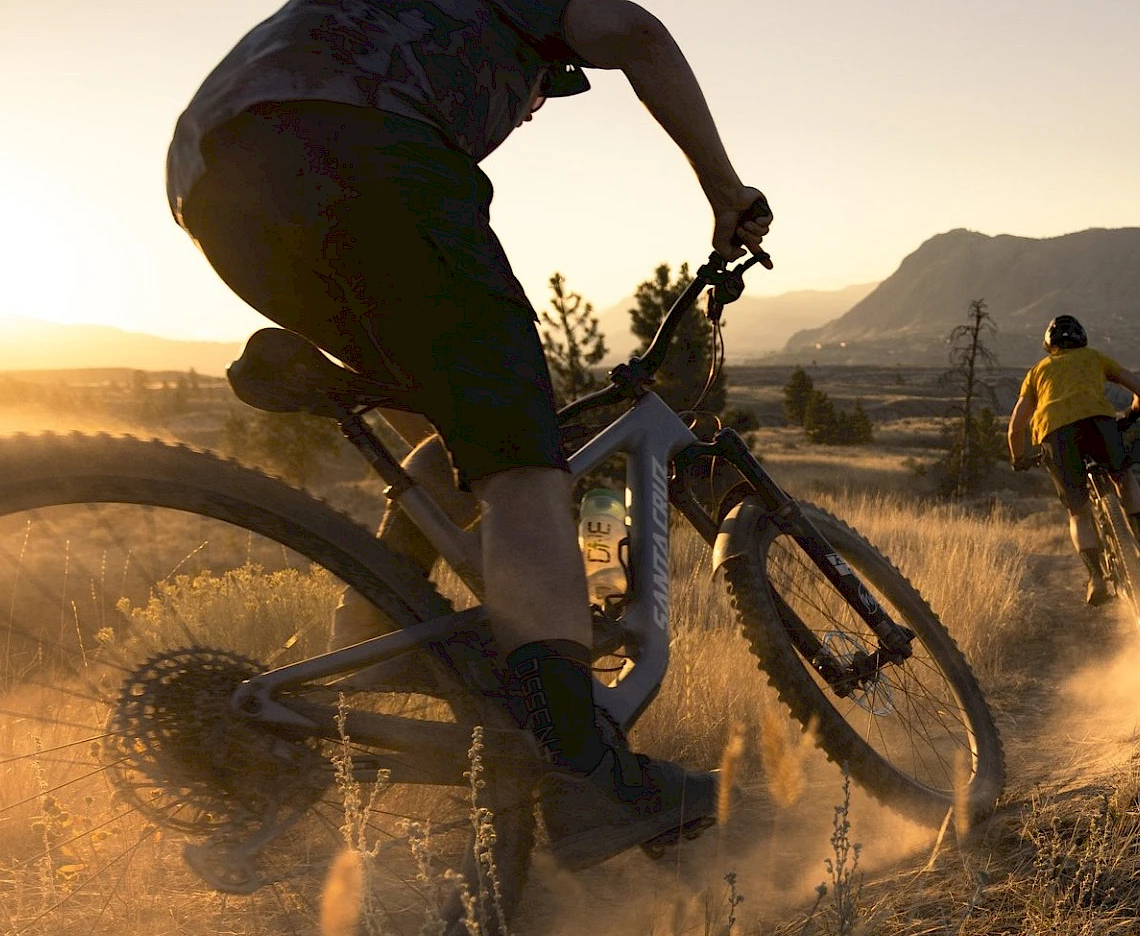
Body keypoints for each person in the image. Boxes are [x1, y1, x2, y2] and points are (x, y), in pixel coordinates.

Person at [166, 0, 771, 865]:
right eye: (543, 91)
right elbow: (638, 34)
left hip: (216, 184)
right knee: (524, 459)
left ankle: (361, 665)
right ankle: (584, 772)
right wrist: (726, 192)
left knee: (462, 437)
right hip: (354, 137)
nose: (532, 108)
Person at [1007, 315, 1140, 606]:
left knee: (1078, 512)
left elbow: (1016, 426)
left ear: (1049, 344)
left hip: (1056, 435)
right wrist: (1133, 413)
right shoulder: (1095, 358)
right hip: (1099, 425)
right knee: (1122, 477)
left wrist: (1019, 458)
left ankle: (1096, 578)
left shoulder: (1037, 372)